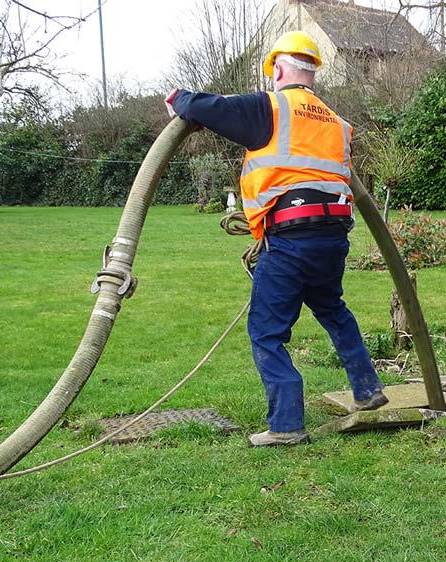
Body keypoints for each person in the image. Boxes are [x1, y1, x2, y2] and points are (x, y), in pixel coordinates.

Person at [166, 30, 388, 447]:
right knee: (333, 309)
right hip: (333, 236)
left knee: (267, 331)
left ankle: (286, 425)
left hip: (289, 240)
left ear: (279, 69)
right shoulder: (339, 125)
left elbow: (203, 106)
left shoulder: (270, 107)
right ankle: (367, 388)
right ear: (314, 74)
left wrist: (177, 98)